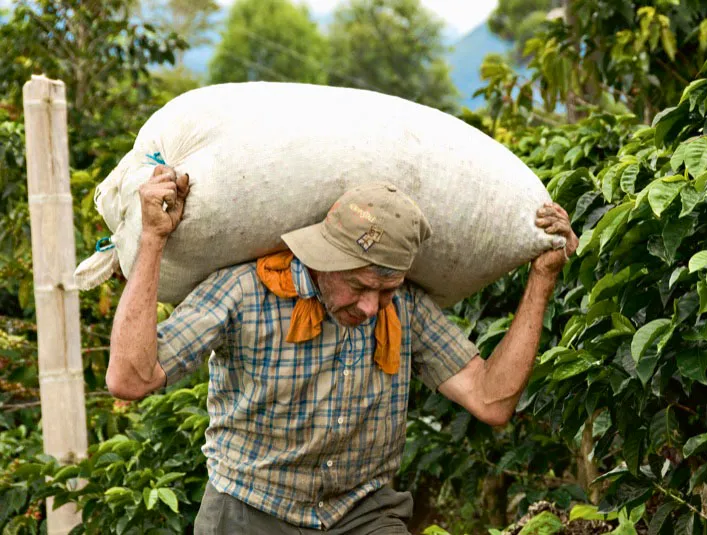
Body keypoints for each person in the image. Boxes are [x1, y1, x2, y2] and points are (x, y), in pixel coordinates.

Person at [106, 165, 579, 535]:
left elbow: (491, 400)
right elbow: (131, 378)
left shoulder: (406, 309)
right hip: (250, 513)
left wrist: (542, 278)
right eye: (359, 285)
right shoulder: (246, 291)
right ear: (323, 260)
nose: (373, 308)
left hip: (362, 514)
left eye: (388, 290)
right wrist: (152, 240)